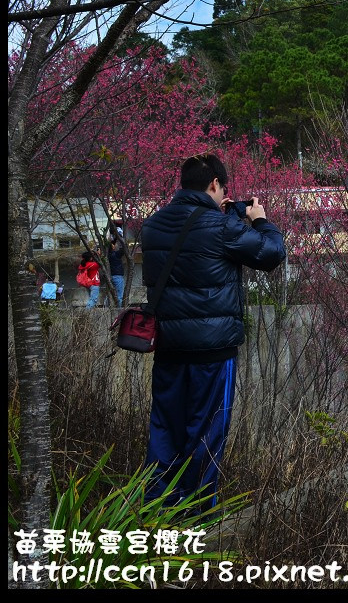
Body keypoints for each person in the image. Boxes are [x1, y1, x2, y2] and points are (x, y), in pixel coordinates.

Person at [140, 153, 286, 510]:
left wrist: (229, 215)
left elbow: (196, 246)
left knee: (165, 429)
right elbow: (271, 253)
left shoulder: (153, 225)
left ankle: (158, 511)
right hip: (212, 354)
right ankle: (198, 515)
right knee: (206, 434)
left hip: (169, 349)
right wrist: (260, 220)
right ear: (214, 185)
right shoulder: (222, 228)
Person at [107, 227, 126, 307]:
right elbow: (124, 249)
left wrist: (113, 239)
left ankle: (109, 309)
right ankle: (119, 311)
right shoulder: (116, 255)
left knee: (111, 296)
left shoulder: (109, 255)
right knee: (120, 296)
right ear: (113, 247)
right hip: (118, 276)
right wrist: (120, 237)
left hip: (111, 276)